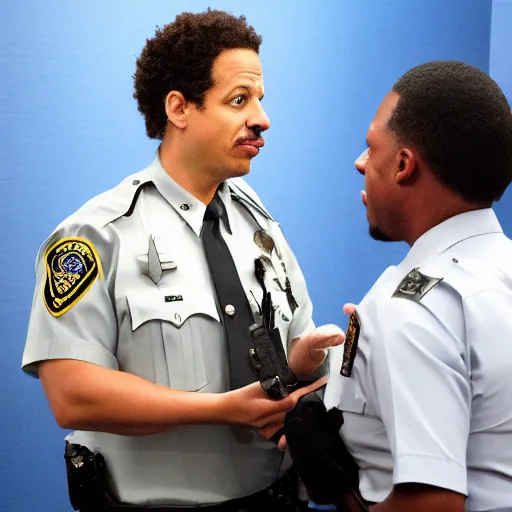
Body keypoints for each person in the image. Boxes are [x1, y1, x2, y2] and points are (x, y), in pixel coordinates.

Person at [21, 9, 344, 512]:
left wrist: (304, 363)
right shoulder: (94, 235)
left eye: (260, 99)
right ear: (178, 108)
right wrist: (221, 410)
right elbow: (72, 394)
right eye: (239, 100)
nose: (262, 118)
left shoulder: (260, 226)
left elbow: (296, 345)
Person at [288, 61, 512, 512]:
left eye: (372, 149)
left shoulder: (411, 309)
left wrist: (346, 498)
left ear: (405, 165)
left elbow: (431, 502)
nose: (361, 162)